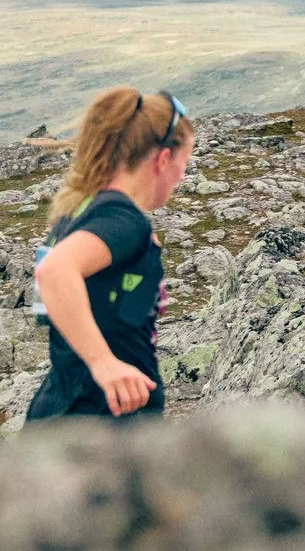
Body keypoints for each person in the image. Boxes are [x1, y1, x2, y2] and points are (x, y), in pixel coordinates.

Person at [27, 88, 196, 422]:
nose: (182, 176)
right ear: (162, 160)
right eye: (183, 163)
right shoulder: (122, 221)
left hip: (64, 410)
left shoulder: (83, 209)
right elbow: (54, 271)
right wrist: (103, 363)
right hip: (101, 423)